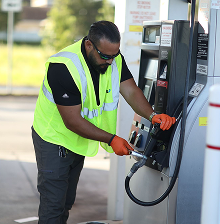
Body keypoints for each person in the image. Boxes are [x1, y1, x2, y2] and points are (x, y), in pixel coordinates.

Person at [31, 20, 176, 223]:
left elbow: (131, 90)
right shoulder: (63, 67)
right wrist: (111, 139)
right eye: (105, 56)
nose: (110, 61)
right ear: (89, 45)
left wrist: (152, 116)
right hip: (54, 139)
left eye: (114, 55)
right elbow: (72, 121)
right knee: (53, 205)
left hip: (77, 141)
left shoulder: (112, 58)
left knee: (65, 202)